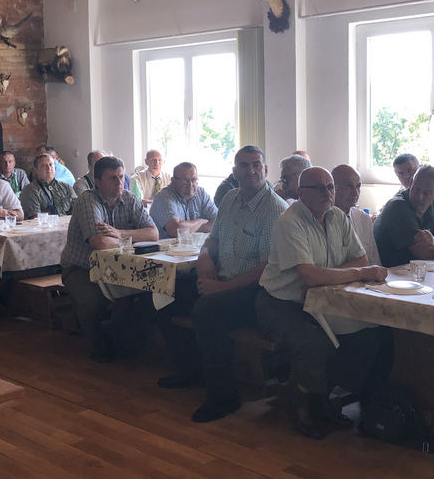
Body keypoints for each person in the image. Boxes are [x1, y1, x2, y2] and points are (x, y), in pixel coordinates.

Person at [257, 166, 391, 439]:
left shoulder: (338, 216)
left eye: (330, 187)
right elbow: (310, 276)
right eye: (317, 188)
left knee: (370, 332)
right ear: (300, 192)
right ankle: (304, 407)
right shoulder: (289, 222)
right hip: (282, 303)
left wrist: (331, 274)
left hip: (325, 298)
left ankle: (327, 398)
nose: (327, 193)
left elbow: (360, 259)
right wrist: (356, 273)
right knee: (315, 343)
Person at [159, 146, 287, 422]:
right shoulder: (229, 199)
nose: (251, 170)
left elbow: (268, 268)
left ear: (265, 169)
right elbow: (212, 239)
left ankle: (224, 396)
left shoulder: (275, 209)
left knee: (207, 310)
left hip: (257, 291)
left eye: (256, 165)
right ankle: (191, 369)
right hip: (222, 279)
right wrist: (205, 258)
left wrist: (221, 288)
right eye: (244, 165)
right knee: (166, 290)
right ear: (234, 171)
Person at [59, 155, 158, 361]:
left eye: (121, 177)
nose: (119, 182)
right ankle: (99, 349)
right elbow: (100, 243)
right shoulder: (87, 200)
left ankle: (124, 343)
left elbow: (153, 234)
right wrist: (133, 237)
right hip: (81, 267)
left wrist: (119, 234)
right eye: (113, 178)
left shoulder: (130, 199)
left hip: (122, 267)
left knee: (145, 294)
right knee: (93, 302)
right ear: (98, 181)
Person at [373, 165, 434, 266]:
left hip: (420, 269)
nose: (419, 197)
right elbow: (422, 252)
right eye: (416, 189)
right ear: (410, 183)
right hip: (391, 270)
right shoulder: (397, 206)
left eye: (426, 193)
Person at [149, 163, 217, 239]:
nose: (190, 185)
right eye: (185, 181)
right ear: (173, 181)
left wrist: (188, 228)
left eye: (193, 179)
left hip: (195, 245)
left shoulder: (201, 193)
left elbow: (219, 221)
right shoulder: (163, 197)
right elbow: (175, 231)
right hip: (167, 246)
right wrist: (201, 222)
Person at [332, 164, 380, 266]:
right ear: (333, 188)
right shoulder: (324, 219)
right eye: (349, 186)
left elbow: (374, 261)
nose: (355, 193)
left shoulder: (363, 218)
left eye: (358, 186)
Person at [20, 153, 76, 219]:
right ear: (36, 170)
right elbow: (35, 218)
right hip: (45, 224)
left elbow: (77, 209)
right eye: (43, 165)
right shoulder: (30, 190)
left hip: (68, 223)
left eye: (51, 164)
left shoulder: (66, 187)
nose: (49, 168)